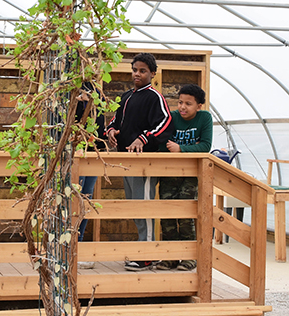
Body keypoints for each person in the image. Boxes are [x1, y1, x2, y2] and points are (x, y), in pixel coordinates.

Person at [105, 52, 173, 271]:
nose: (138, 74)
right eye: (135, 70)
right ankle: (143, 250)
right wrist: (112, 130)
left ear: (152, 73)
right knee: (135, 207)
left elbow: (165, 122)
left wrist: (143, 138)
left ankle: (148, 255)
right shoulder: (126, 97)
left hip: (145, 162)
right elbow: (116, 119)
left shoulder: (155, 97)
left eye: (143, 71)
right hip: (126, 160)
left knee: (144, 206)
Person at [156, 84, 213, 271]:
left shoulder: (205, 118)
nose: (182, 107)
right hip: (169, 173)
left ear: (199, 106)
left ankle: (189, 257)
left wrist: (181, 148)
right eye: (180, 102)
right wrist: (184, 147)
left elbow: (205, 146)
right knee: (167, 214)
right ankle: (170, 257)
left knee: (186, 212)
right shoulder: (171, 117)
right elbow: (163, 142)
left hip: (190, 174)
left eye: (188, 103)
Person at [75, 84, 106, 270]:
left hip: (92, 154)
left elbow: (99, 126)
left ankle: (78, 248)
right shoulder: (66, 91)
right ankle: (69, 248)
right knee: (73, 200)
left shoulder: (97, 93)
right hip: (72, 154)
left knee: (85, 200)